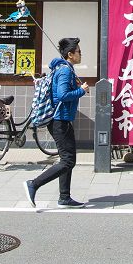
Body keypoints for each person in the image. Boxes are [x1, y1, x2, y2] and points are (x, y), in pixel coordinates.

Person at [24, 37, 89, 209]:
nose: (81, 54)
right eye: (79, 52)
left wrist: (77, 89)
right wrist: (81, 91)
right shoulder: (65, 71)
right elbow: (62, 95)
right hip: (60, 120)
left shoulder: (64, 68)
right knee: (68, 161)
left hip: (62, 119)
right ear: (70, 54)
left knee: (66, 158)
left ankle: (64, 197)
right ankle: (34, 183)